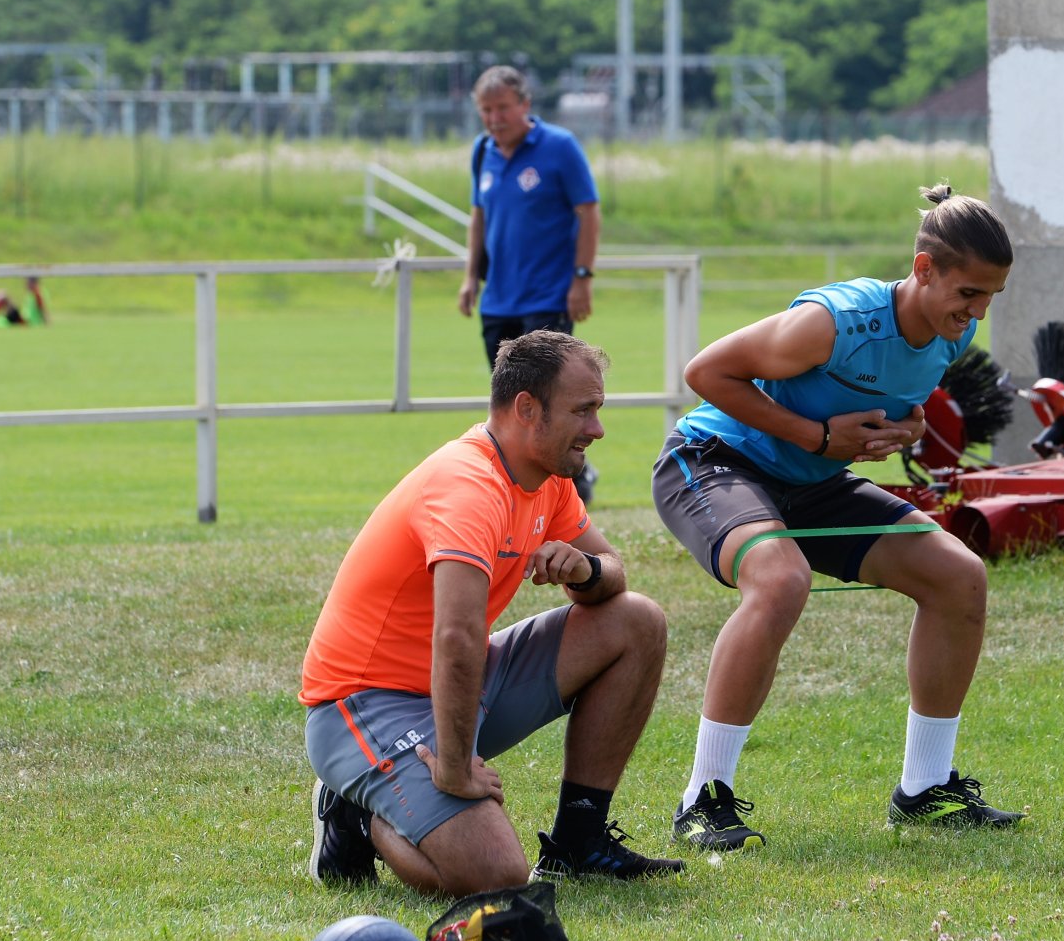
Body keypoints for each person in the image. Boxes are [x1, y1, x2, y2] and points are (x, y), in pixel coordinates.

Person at [654, 184, 1025, 851]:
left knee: (959, 578)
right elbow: (706, 372)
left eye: (992, 296)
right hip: (715, 461)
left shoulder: (951, 329)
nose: (978, 311)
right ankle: (702, 801)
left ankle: (925, 791)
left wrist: (904, 430)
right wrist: (817, 437)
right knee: (781, 580)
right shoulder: (834, 321)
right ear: (923, 270)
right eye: (969, 293)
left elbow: (889, 403)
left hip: (813, 481)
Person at [301, 330, 683, 895]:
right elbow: (456, 638)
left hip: (456, 685)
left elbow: (612, 568)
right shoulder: (468, 485)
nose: (597, 429)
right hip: (364, 703)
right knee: (496, 877)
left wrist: (585, 572)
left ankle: (580, 841)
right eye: (583, 411)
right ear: (527, 408)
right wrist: (453, 769)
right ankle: (356, 810)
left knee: (637, 620)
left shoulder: (546, 479)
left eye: (597, 410)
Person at [456, 66, 602, 501]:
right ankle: (512, 482)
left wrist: (582, 278)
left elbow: (588, 211)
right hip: (499, 298)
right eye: (486, 110)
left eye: (502, 107)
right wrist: (469, 277)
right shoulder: (483, 152)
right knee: (510, 402)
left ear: (525, 105)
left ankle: (568, 486)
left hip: (547, 296)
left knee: (551, 398)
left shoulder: (559, 146)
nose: (495, 118)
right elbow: (478, 217)